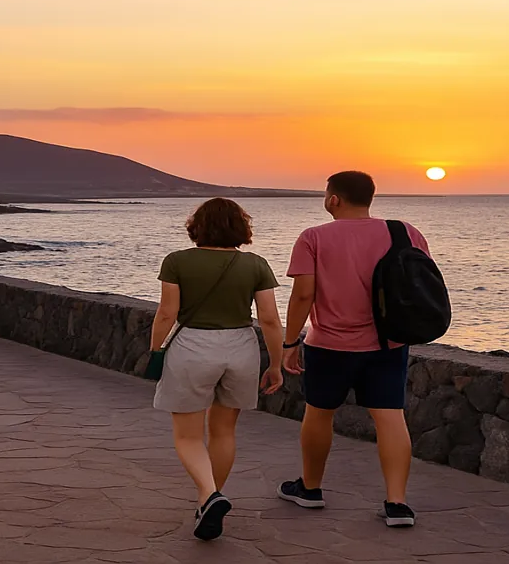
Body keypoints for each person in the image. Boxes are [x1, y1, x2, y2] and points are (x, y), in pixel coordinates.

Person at [278, 170, 431, 528]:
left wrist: (289, 342)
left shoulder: (313, 237)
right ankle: (397, 504)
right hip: (387, 343)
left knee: (319, 414)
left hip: (329, 345)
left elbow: (303, 294)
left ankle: (310, 489)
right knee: (390, 418)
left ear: (334, 199)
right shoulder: (405, 231)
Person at [149, 197, 285, 541]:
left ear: (197, 226)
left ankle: (210, 495)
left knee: (188, 435)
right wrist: (276, 364)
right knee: (224, 431)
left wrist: (155, 351)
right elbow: (269, 318)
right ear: (241, 228)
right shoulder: (255, 264)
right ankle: (208, 499)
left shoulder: (177, 261)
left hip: (193, 347)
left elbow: (167, 313)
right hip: (240, 347)